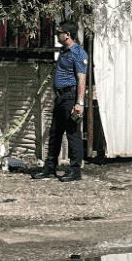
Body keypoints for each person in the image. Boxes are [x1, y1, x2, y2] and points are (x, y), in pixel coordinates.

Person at [33, 21, 88, 182]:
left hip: (71, 97)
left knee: (72, 133)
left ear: (67, 35)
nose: (57, 35)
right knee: (54, 133)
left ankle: (75, 170)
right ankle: (49, 167)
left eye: (59, 33)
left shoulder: (78, 52)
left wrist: (80, 103)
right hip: (60, 97)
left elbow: (81, 78)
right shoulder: (64, 51)